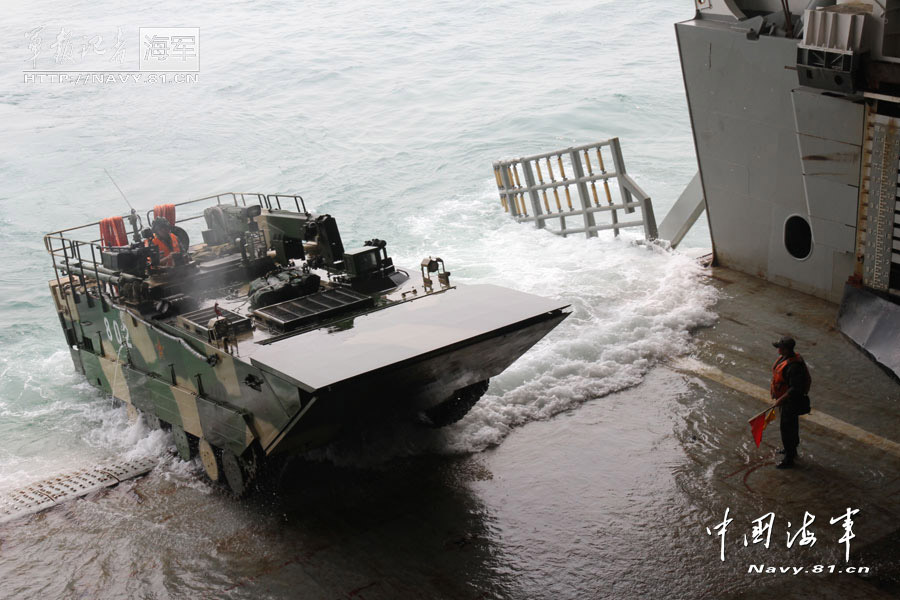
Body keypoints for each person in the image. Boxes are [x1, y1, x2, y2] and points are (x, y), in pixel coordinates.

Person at [770, 336, 811, 469]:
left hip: (791, 402)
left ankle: (789, 457)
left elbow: (795, 388)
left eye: (780, 348)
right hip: (785, 400)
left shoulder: (794, 367)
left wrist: (781, 399)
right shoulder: (786, 358)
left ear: (786, 350)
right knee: (790, 427)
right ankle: (790, 449)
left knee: (787, 429)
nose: (778, 350)